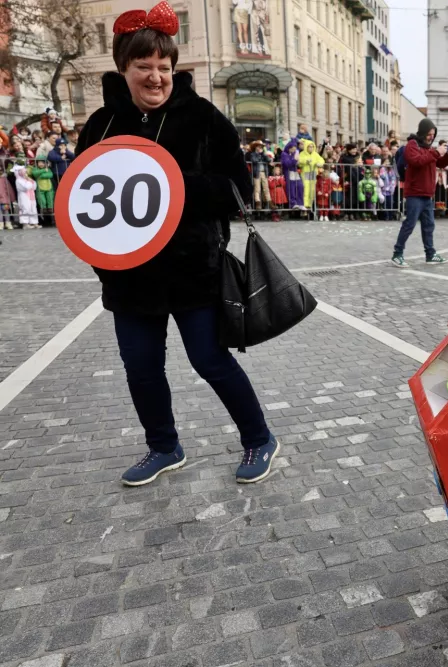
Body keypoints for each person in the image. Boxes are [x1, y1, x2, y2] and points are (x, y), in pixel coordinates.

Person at [75, 0, 278, 486]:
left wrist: (172, 186)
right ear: (123, 69)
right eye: (143, 66)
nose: (156, 77)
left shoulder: (203, 118)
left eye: (163, 67)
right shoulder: (100, 125)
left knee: (211, 360)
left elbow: (238, 189)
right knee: (141, 368)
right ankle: (163, 447)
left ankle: (259, 438)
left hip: (193, 271)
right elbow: (79, 201)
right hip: (128, 276)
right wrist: (102, 263)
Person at [391, 118, 448, 266]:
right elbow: (417, 161)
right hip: (415, 193)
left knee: (429, 225)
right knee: (409, 224)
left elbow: (439, 163)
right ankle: (397, 254)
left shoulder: (429, 149)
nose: (431, 137)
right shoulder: (412, 145)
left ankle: (430, 254)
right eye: (429, 134)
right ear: (423, 132)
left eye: (433, 134)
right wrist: (436, 152)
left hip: (427, 194)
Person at [298, 139, 324, 215]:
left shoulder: (315, 154)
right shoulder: (302, 154)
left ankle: (309, 206)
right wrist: (306, 161)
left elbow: (321, 160)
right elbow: (299, 162)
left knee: (312, 190)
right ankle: (304, 206)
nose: (311, 148)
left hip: (313, 173)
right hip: (305, 173)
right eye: (309, 146)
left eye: (312, 146)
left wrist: (319, 164)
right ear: (306, 147)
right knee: (306, 189)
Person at [247, 140, 271, 212]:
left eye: (261, 147)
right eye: (259, 146)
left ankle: (270, 202)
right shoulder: (253, 154)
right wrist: (259, 155)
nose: (260, 148)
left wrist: (263, 154)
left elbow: (269, 160)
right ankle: (258, 203)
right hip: (257, 173)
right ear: (255, 147)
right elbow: (254, 160)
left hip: (264, 173)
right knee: (257, 189)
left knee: (266, 188)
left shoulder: (263, 154)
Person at [30, 157, 55, 225]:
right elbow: (35, 174)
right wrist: (44, 171)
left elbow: (50, 175)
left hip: (48, 188)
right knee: (42, 200)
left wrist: (41, 175)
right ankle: (43, 211)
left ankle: (50, 211)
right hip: (40, 189)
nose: (41, 164)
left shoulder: (48, 169)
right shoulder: (36, 169)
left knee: (50, 200)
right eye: (39, 162)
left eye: (42, 163)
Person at [281, 139, 304, 210]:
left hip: (295, 172)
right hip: (288, 173)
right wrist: (294, 160)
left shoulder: (294, 152)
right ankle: (293, 203)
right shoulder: (284, 154)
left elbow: (294, 139)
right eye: (292, 149)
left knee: (300, 186)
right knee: (291, 189)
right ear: (289, 148)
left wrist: (298, 141)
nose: (294, 151)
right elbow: (287, 164)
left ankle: (300, 203)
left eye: (294, 149)